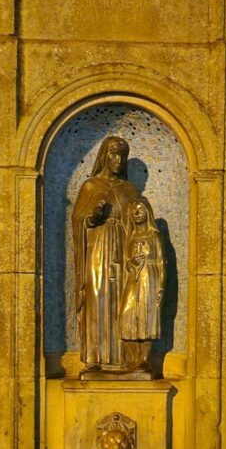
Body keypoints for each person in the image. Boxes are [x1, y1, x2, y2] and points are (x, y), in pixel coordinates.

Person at [71, 136, 138, 372]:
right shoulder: (91, 186)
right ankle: (95, 358)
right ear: (104, 156)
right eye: (113, 154)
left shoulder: (129, 189)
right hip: (99, 248)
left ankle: (122, 358)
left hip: (124, 251)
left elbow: (141, 222)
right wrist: (94, 216)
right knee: (97, 296)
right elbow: (78, 220)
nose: (118, 160)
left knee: (123, 301)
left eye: (123, 156)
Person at [119, 196, 165, 372]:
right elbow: (125, 261)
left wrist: (160, 286)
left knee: (147, 318)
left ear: (148, 213)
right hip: (133, 280)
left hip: (149, 279)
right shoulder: (130, 236)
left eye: (140, 209)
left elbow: (160, 261)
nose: (136, 213)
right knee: (127, 315)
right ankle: (133, 358)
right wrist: (131, 263)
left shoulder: (154, 235)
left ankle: (144, 360)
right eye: (133, 210)